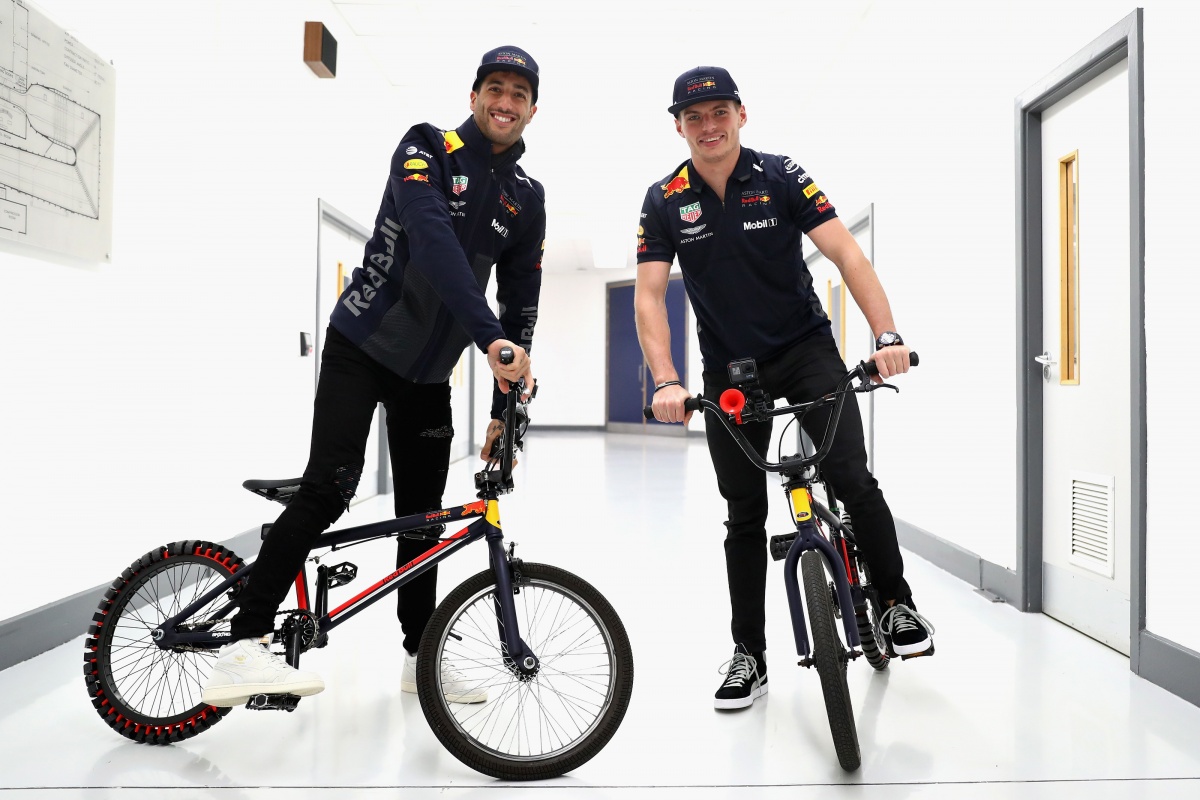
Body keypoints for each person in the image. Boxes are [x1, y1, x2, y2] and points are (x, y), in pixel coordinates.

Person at [201, 46, 546, 708]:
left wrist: (507, 400)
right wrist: (490, 338)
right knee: (330, 487)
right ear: (474, 95)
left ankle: (421, 658)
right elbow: (433, 243)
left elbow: (521, 296)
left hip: (428, 377)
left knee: (422, 520)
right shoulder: (427, 147)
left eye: (519, 94)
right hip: (361, 345)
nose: (505, 102)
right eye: (495, 88)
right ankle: (243, 647)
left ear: (533, 109)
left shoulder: (526, 197)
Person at [635, 66, 935, 711]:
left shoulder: (781, 175)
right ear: (678, 126)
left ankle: (895, 603)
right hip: (730, 371)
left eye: (720, 112)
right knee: (743, 512)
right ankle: (750, 654)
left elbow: (847, 255)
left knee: (851, 477)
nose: (709, 126)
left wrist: (886, 336)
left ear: (741, 114)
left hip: (805, 351)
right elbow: (651, 296)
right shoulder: (664, 200)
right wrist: (667, 380)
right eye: (694, 117)